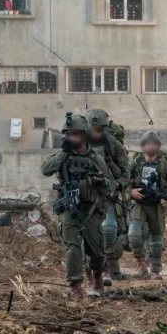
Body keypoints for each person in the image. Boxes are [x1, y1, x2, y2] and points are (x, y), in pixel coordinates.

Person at [41, 113, 115, 299]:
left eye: (74, 134)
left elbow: (110, 184)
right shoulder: (62, 157)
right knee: (73, 248)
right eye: (67, 134)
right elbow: (46, 169)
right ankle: (75, 286)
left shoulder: (94, 157)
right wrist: (64, 152)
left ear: (83, 135)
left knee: (95, 250)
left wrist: (100, 181)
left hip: (91, 208)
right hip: (69, 208)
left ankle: (97, 276)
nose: (70, 137)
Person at [85, 108, 130, 286]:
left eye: (100, 128)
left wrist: (117, 184)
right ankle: (90, 273)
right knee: (86, 237)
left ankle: (108, 270)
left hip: (108, 195)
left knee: (110, 231)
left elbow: (125, 173)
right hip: (86, 197)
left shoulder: (113, 144)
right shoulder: (78, 144)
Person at [128, 131, 167, 280]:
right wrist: (130, 191)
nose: (150, 146)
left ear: (158, 146)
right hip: (139, 204)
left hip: (156, 206)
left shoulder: (165, 165)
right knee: (133, 235)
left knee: (156, 238)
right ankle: (141, 264)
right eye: (147, 143)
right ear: (143, 145)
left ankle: (155, 270)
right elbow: (123, 180)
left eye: (153, 143)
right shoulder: (135, 163)